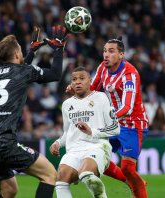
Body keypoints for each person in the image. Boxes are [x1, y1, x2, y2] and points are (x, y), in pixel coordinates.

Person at [0, 25, 67, 198]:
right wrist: (58, 49)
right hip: (3, 141)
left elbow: (17, 71)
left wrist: (31, 51)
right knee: (49, 175)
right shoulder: (23, 71)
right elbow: (55, 74)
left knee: (9, 191)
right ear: (17, 54)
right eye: (20, 50)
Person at [68, 37, 149, 197]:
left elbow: (127, 107)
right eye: (105, 51)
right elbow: (92, 90)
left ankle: (135, 183)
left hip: (133, 124)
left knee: (127, 168)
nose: (106, 54)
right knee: (97, 157)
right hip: (113, 123)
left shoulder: (130, 75)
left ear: (121, 55)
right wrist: (77, 89)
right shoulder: (103, 68)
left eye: (111, 51)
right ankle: (132, 183)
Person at [50, 66, 120, 198]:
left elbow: (115, 128)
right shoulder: (66, 105)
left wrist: (92, 131)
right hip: (74, 150)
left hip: (97, 147)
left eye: (82, 78)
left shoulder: (101, 97)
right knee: (60, 179)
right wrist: (58, 143)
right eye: (74, 79)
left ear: (90, 81)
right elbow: (67, 133)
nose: (77, 82)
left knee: (86, 174)